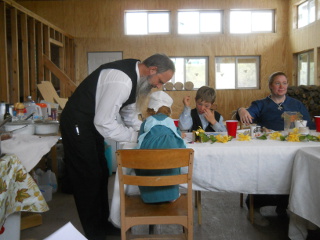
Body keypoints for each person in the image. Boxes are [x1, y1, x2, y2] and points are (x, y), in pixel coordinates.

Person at [60, 54, 175, 240]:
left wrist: (145, 132)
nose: (159, 87)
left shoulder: (137, 78)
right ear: (152, 70)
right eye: (161, 81)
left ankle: (103, 225)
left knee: (102, 172)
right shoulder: (122, 80)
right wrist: (134, 137)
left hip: (91, 124)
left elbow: (129, 113)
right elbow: (104, 122)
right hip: (78, 123)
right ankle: (94, 234)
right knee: (87, 176)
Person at [236, 71, 315, 227]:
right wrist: (241, 110)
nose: (281, 86)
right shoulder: (261, 104)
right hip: (268, 150)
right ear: (270, 86)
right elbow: (246, 116)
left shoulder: (296, 104)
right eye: (277, 83)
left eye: (284, 83)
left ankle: (286, 206)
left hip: (292, 149)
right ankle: (255, 207)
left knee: (295, 174)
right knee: (266, 174)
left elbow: (309, 127)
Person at [135, 91, 186, 203]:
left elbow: (138, 140)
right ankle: (171, 192)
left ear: (150, 110)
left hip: (147, 196)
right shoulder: (171, 123)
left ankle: (149, 193)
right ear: (168, 110)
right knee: (173, 159)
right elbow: (181, 144)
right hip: (171, 193)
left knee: (141, 160)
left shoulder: (146, 122)